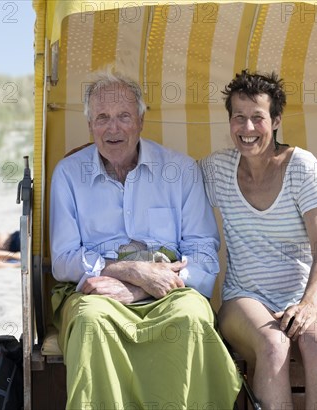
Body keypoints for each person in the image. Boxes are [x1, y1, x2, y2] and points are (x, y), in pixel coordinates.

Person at [49, 70, 241, 409]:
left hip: (171, 290)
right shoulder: (67, 174)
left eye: (123, 116)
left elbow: (204, 255)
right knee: (91, 323)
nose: (113, 128)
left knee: (192, 318)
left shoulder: (180, 170)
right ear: (90, 123)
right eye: (102, 118)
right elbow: (63, 258)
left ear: (140, 119)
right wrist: (131, 271)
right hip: (96, 292)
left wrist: (144, 286)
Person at [200, 70, 317, 408]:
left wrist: (309, 304)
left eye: (257, 118)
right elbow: (166, 180)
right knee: (273, 343)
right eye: (239, 117)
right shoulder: (216, 168)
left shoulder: (302, 167)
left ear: (276, 119)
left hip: (306, 293)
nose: (247, 128)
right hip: (244, 297)